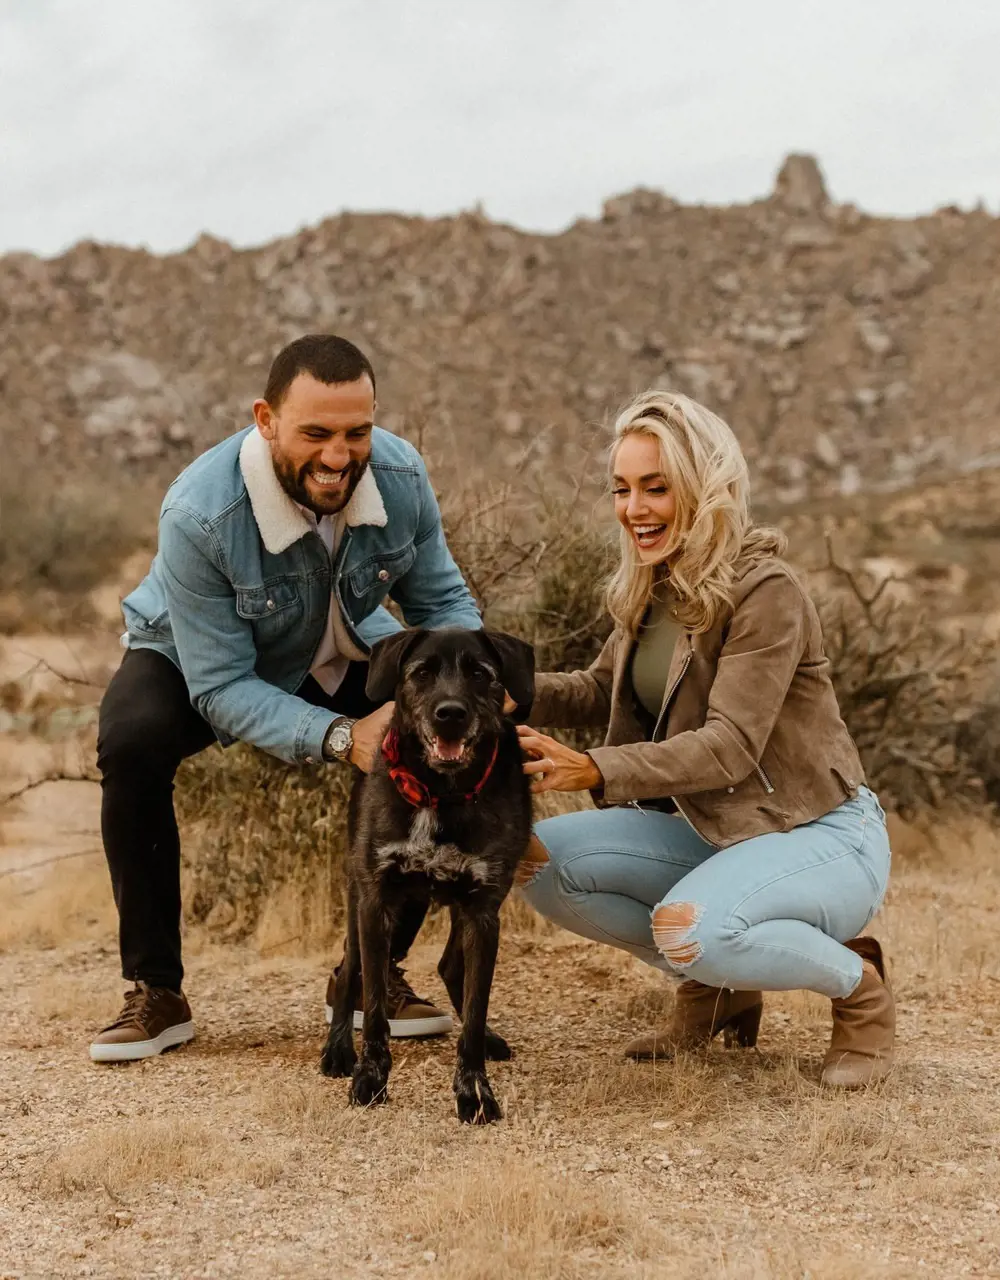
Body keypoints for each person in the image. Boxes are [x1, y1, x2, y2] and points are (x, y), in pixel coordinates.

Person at [91, 334, 480, 1062]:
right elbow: (222, 686)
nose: (339, 456)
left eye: (356, 433)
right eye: (316, 434)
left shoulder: (400, 475)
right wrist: (342, 736)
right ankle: (157, 992)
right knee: (132, 739)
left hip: (340, 640)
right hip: (199, 654)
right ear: (266, 419)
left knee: (440, 745)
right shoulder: (199, 514)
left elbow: (443, 601)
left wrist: (463, 691)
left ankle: (369, 978)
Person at [515, 389, 893, 1089]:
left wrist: (593, 769)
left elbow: (730, 746)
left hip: (822, 833)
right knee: (536, 862)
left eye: (656, 488)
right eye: (623, 489)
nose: (635, 509)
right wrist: (496, 686)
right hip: (722, 831)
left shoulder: (765, 590)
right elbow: (601, 690)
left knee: (692, 928)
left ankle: (858, 986)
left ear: (703, 484)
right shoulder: (654, 587)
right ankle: (719, 989)